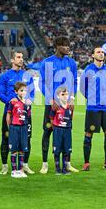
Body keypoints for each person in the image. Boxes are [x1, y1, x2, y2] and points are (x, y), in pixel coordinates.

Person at [39, 36, 79, 174]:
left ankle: (67, 164)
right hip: (52, 104)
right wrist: (51, 100)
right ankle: (45, 164)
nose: (68, 48)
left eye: (68, 45)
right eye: (65, 45)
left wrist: (72, 98)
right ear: (57, 46)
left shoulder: (72, 63)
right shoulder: (47, 62)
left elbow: (74, 82)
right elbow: (42, 83)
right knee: (47, 132)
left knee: (66, 132)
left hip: (66, 105)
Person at [0, 50, 34, 175]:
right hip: (10, 113)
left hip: (25, 114)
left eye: (22, 57)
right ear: (12, 60)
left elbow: (32, 93)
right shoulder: (5, 76)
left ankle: (25, 165)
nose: (21, 59)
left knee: (27, 139)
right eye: (18, 57)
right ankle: (4, 166)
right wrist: (10, 100)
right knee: (6, 139)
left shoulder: (27, 76)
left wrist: (30, 100)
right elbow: (0, 94)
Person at [79, 46, 106, 171]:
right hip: (93, 108)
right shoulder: (88, 70)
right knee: (89, 133)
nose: (101, 54)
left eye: (102, 52)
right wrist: (91, 97)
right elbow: (83, 88)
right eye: (98, 52)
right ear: (93, 55)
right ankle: (86, 162)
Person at [7, 82, 31, 178]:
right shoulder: (12, 102)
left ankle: (20, 170)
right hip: (14, 127)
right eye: (21, 91)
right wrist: (10, 127)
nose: (23, 92)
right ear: (16, 91)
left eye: (25, 90)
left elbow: (28, 117)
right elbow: (8, 115)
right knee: (14, 150)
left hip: (24, 128)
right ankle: (14, 171)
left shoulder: (28, 103)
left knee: (22, 150)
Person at [49, 87, 73, 175]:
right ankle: (57, 169)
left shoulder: (70, 107)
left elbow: (71, 118)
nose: (65, 96)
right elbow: (51, 118)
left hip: (67, 130)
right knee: (57, 149)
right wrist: (55, 127)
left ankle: (64, 168)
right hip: (58, 130)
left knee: (66, 150)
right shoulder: (55, 107)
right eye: (62, 95)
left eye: (66, 94)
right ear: (58, 96)